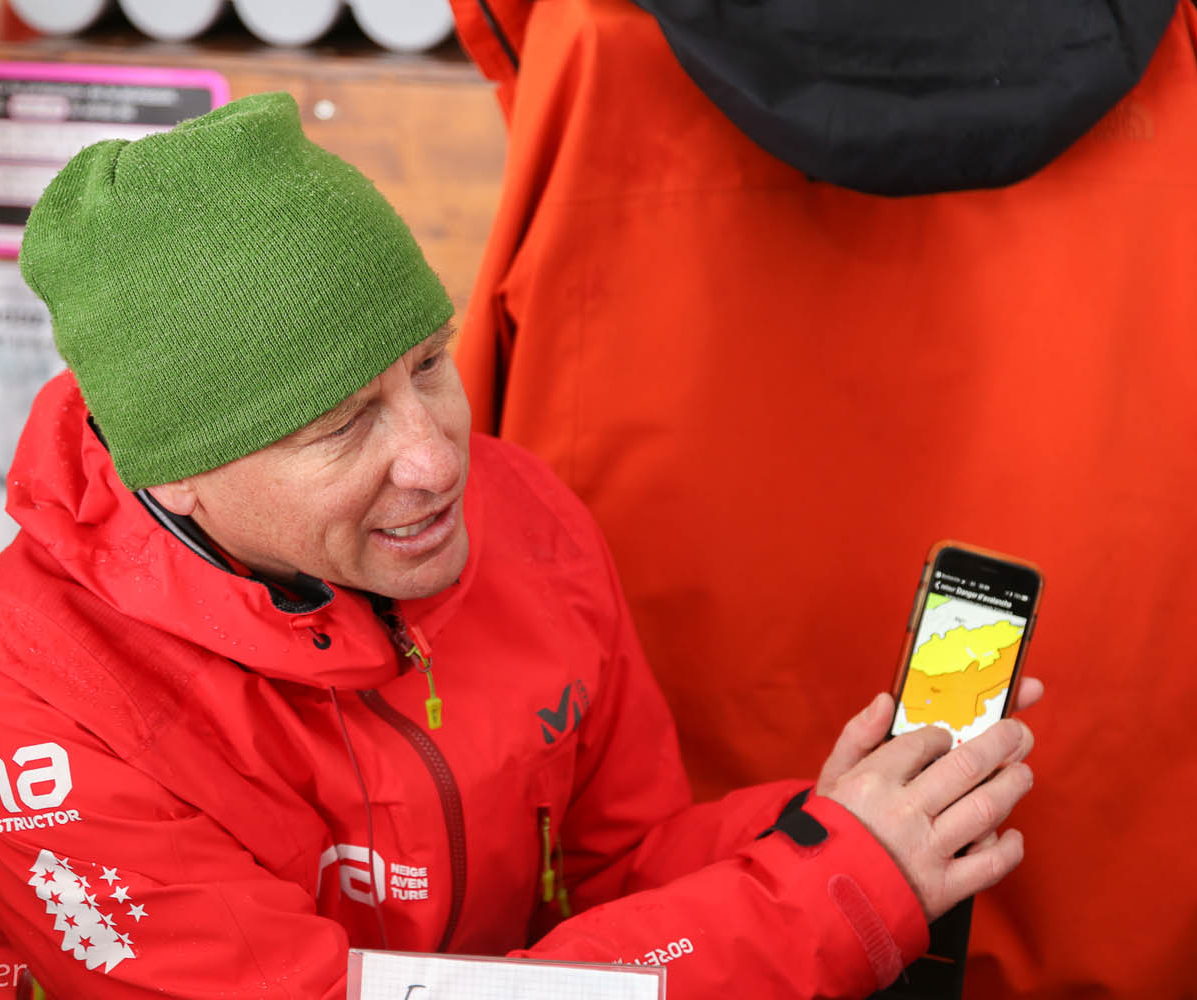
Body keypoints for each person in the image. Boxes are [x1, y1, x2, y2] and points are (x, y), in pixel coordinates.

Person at [0, 92, 1038, 1000]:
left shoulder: (526, 518)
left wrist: (817, 831)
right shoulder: (28, 709)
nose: (438, 458)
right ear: (176, 473)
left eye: (429, 365)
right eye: (342, 427)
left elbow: (617, 878)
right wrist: (821, 901)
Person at [449, 0, 1196, 993]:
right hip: (1107, 880)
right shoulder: (1171, 53)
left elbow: (478, 440)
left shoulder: (590, 38)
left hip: (688, 920)